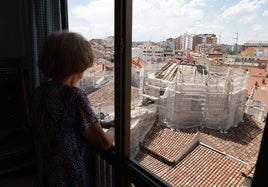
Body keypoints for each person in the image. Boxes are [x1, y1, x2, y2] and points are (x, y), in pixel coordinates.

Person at [29, 30, 115, 187]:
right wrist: (117, 128)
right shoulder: (73, 96)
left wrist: (102, 124)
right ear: (80, 63)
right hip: (69, 179)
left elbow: (63, 124)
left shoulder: (39, 93)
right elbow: (103, 143)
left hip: (46, 174)